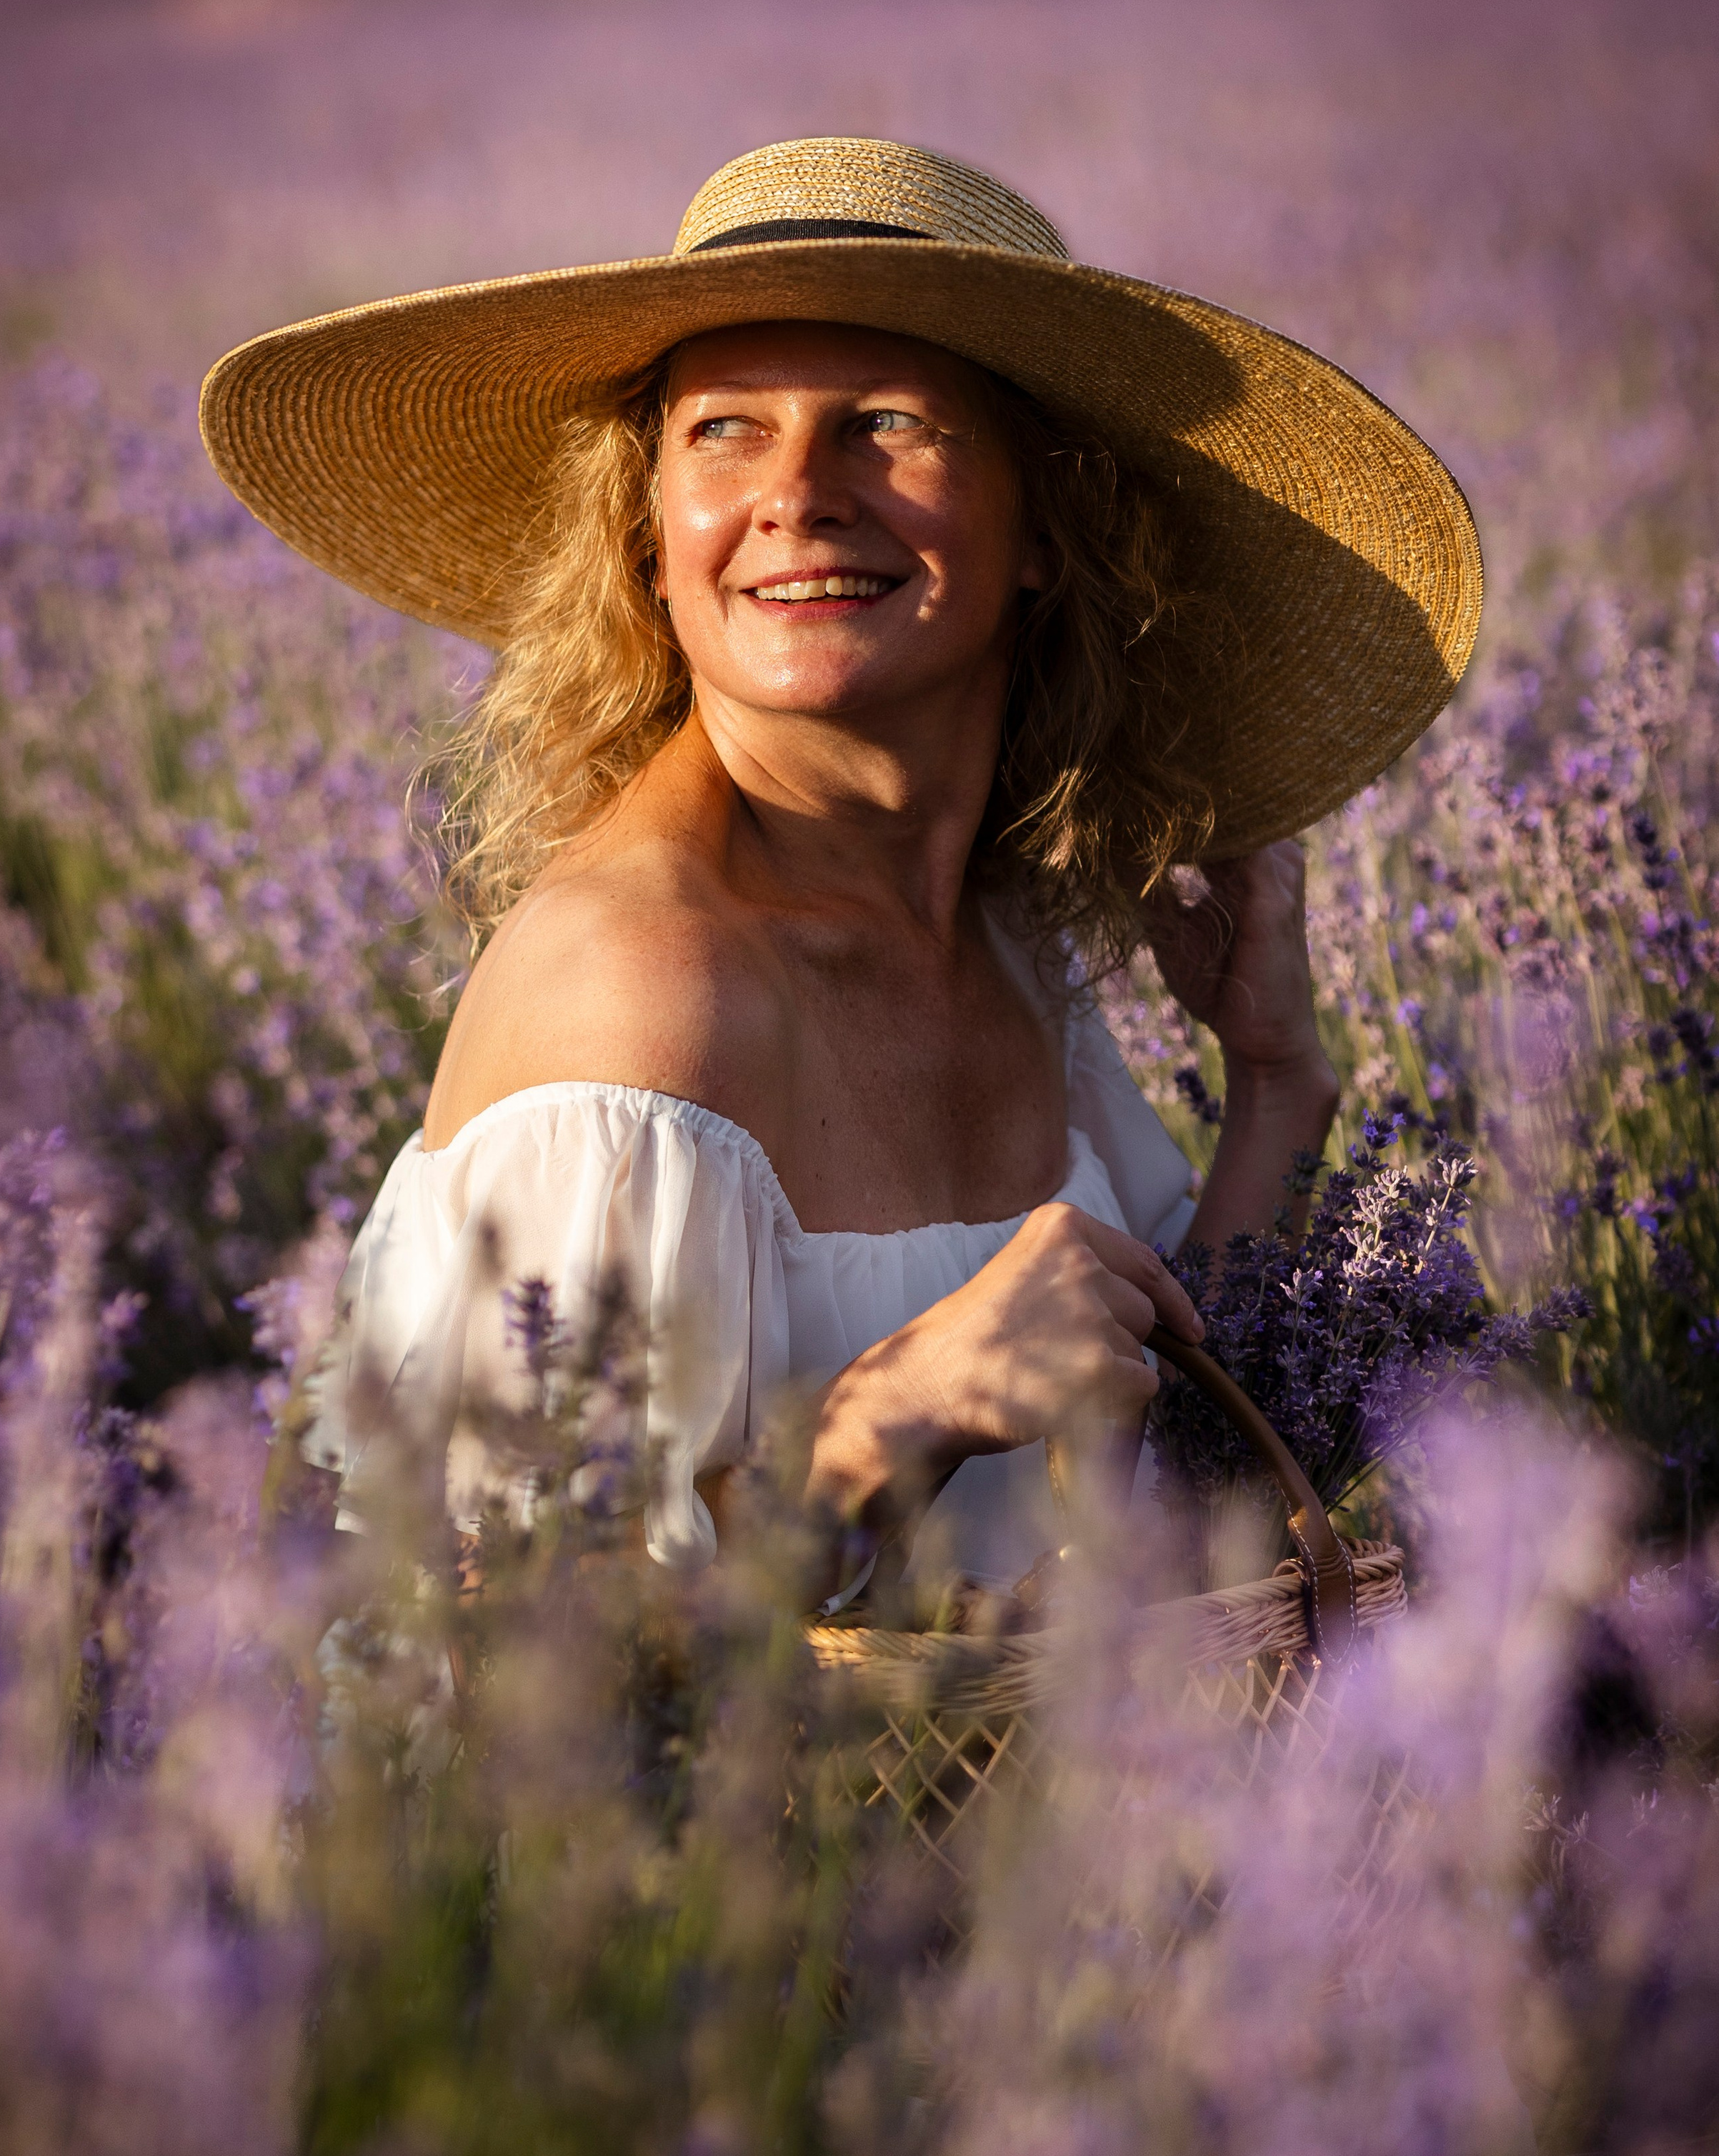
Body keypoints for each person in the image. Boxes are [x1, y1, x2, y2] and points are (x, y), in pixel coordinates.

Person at [201, 136, 1480, 1587]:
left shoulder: (992, 932)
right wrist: (890, 1420)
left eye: (886, 422)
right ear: (645, 528)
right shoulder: (638, 990)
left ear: (1042, 530)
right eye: (723, 430)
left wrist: (1273, 1080)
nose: (796, 492)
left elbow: (1184, 1451)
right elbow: (533, 1652)